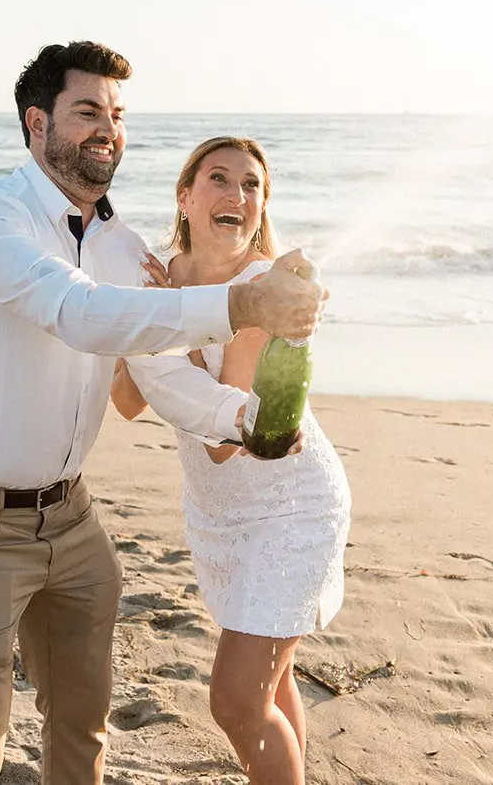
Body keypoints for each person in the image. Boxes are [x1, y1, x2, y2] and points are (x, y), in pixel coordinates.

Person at [0, 42, 326, 785]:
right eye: (87, 110)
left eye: (118, 114)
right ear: (37, 123)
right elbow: (79, 313)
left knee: (81, 727)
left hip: (70, 522)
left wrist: (241, 420)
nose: (108, 128)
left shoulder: (123, 247)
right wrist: (238, 305)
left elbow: (157, 373)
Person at [111, 136, 351, 785]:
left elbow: (225, 434)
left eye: (252, 185)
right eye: (220, 178)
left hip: (292, 507)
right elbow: (128, 399)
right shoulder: (162, 273)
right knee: (267, 687)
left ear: (262, 205)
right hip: (223, 514)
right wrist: (147, 320)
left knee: (237, 699)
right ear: (185, 196)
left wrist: (170, 324)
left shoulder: (261, 290)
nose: (237, 195)